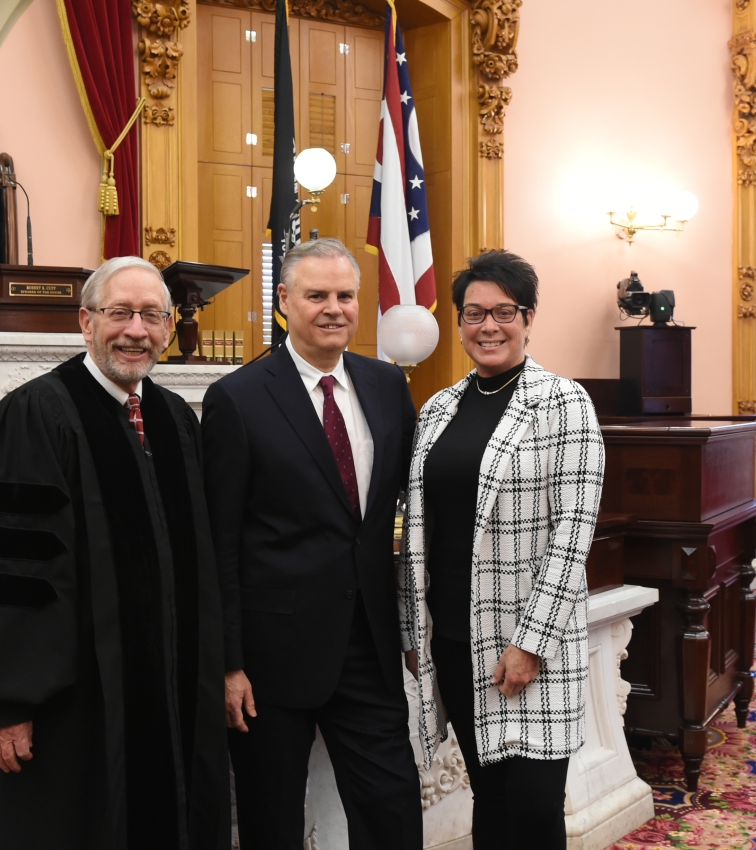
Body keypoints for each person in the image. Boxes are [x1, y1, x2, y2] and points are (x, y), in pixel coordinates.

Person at [0, 257, 230, 850]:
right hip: (73, 712)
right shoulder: (35, 415)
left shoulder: (174, 418)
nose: (137, 330)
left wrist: (223, 665)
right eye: (120, 313)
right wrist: (3, 699)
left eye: (152, 316)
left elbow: (202, 565)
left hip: (174, 696)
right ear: (86, 322)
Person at [201, 237, 421, 850]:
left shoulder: (385, 387)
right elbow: (218, 539)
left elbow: (400, 514)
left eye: (346, 296)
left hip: (369, 647)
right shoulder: (237, 399)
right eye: (317, 295)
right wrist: (229, 662)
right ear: (284, 301)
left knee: (393, 810)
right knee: (272, 820)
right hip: (270, 658)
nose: (334, 308)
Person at [399, 250, 604, 850]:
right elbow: (419, 530)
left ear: (529, 317)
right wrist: (416, 630)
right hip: (457, 641)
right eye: (474, 314)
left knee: (534, 809)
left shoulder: (564, 403)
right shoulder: (438, 409)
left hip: (526, 644)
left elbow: (573, 537)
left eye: (504, 312)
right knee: (487, 800)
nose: (488, 326)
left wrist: (530, 643)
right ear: (459, 323)